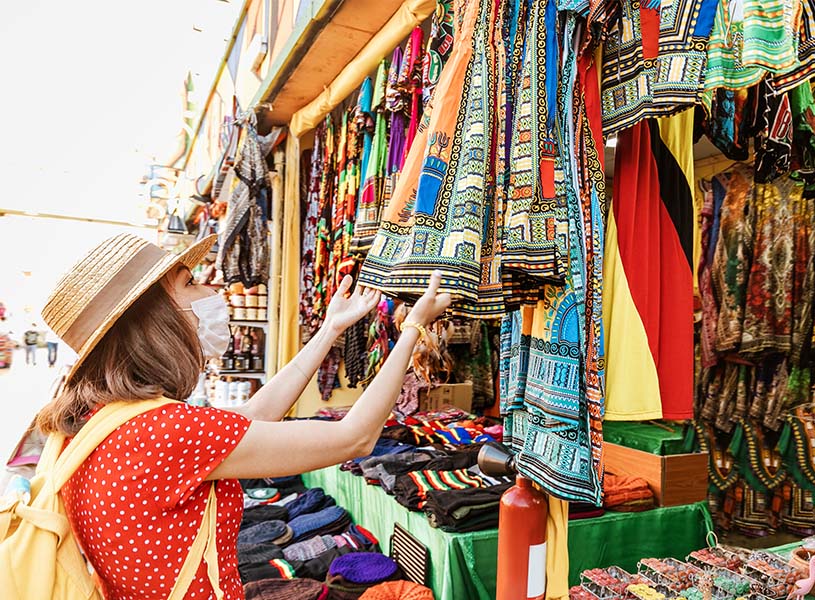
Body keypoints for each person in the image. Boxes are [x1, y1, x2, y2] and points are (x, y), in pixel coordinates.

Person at [35, 233, 450, 599]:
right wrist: (412, 328)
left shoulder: (99, 421)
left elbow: (254, 414)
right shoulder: (164, 430)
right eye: (190, 283)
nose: (210, 290)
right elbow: (353, 439)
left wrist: (330, 330)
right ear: (153, 317)